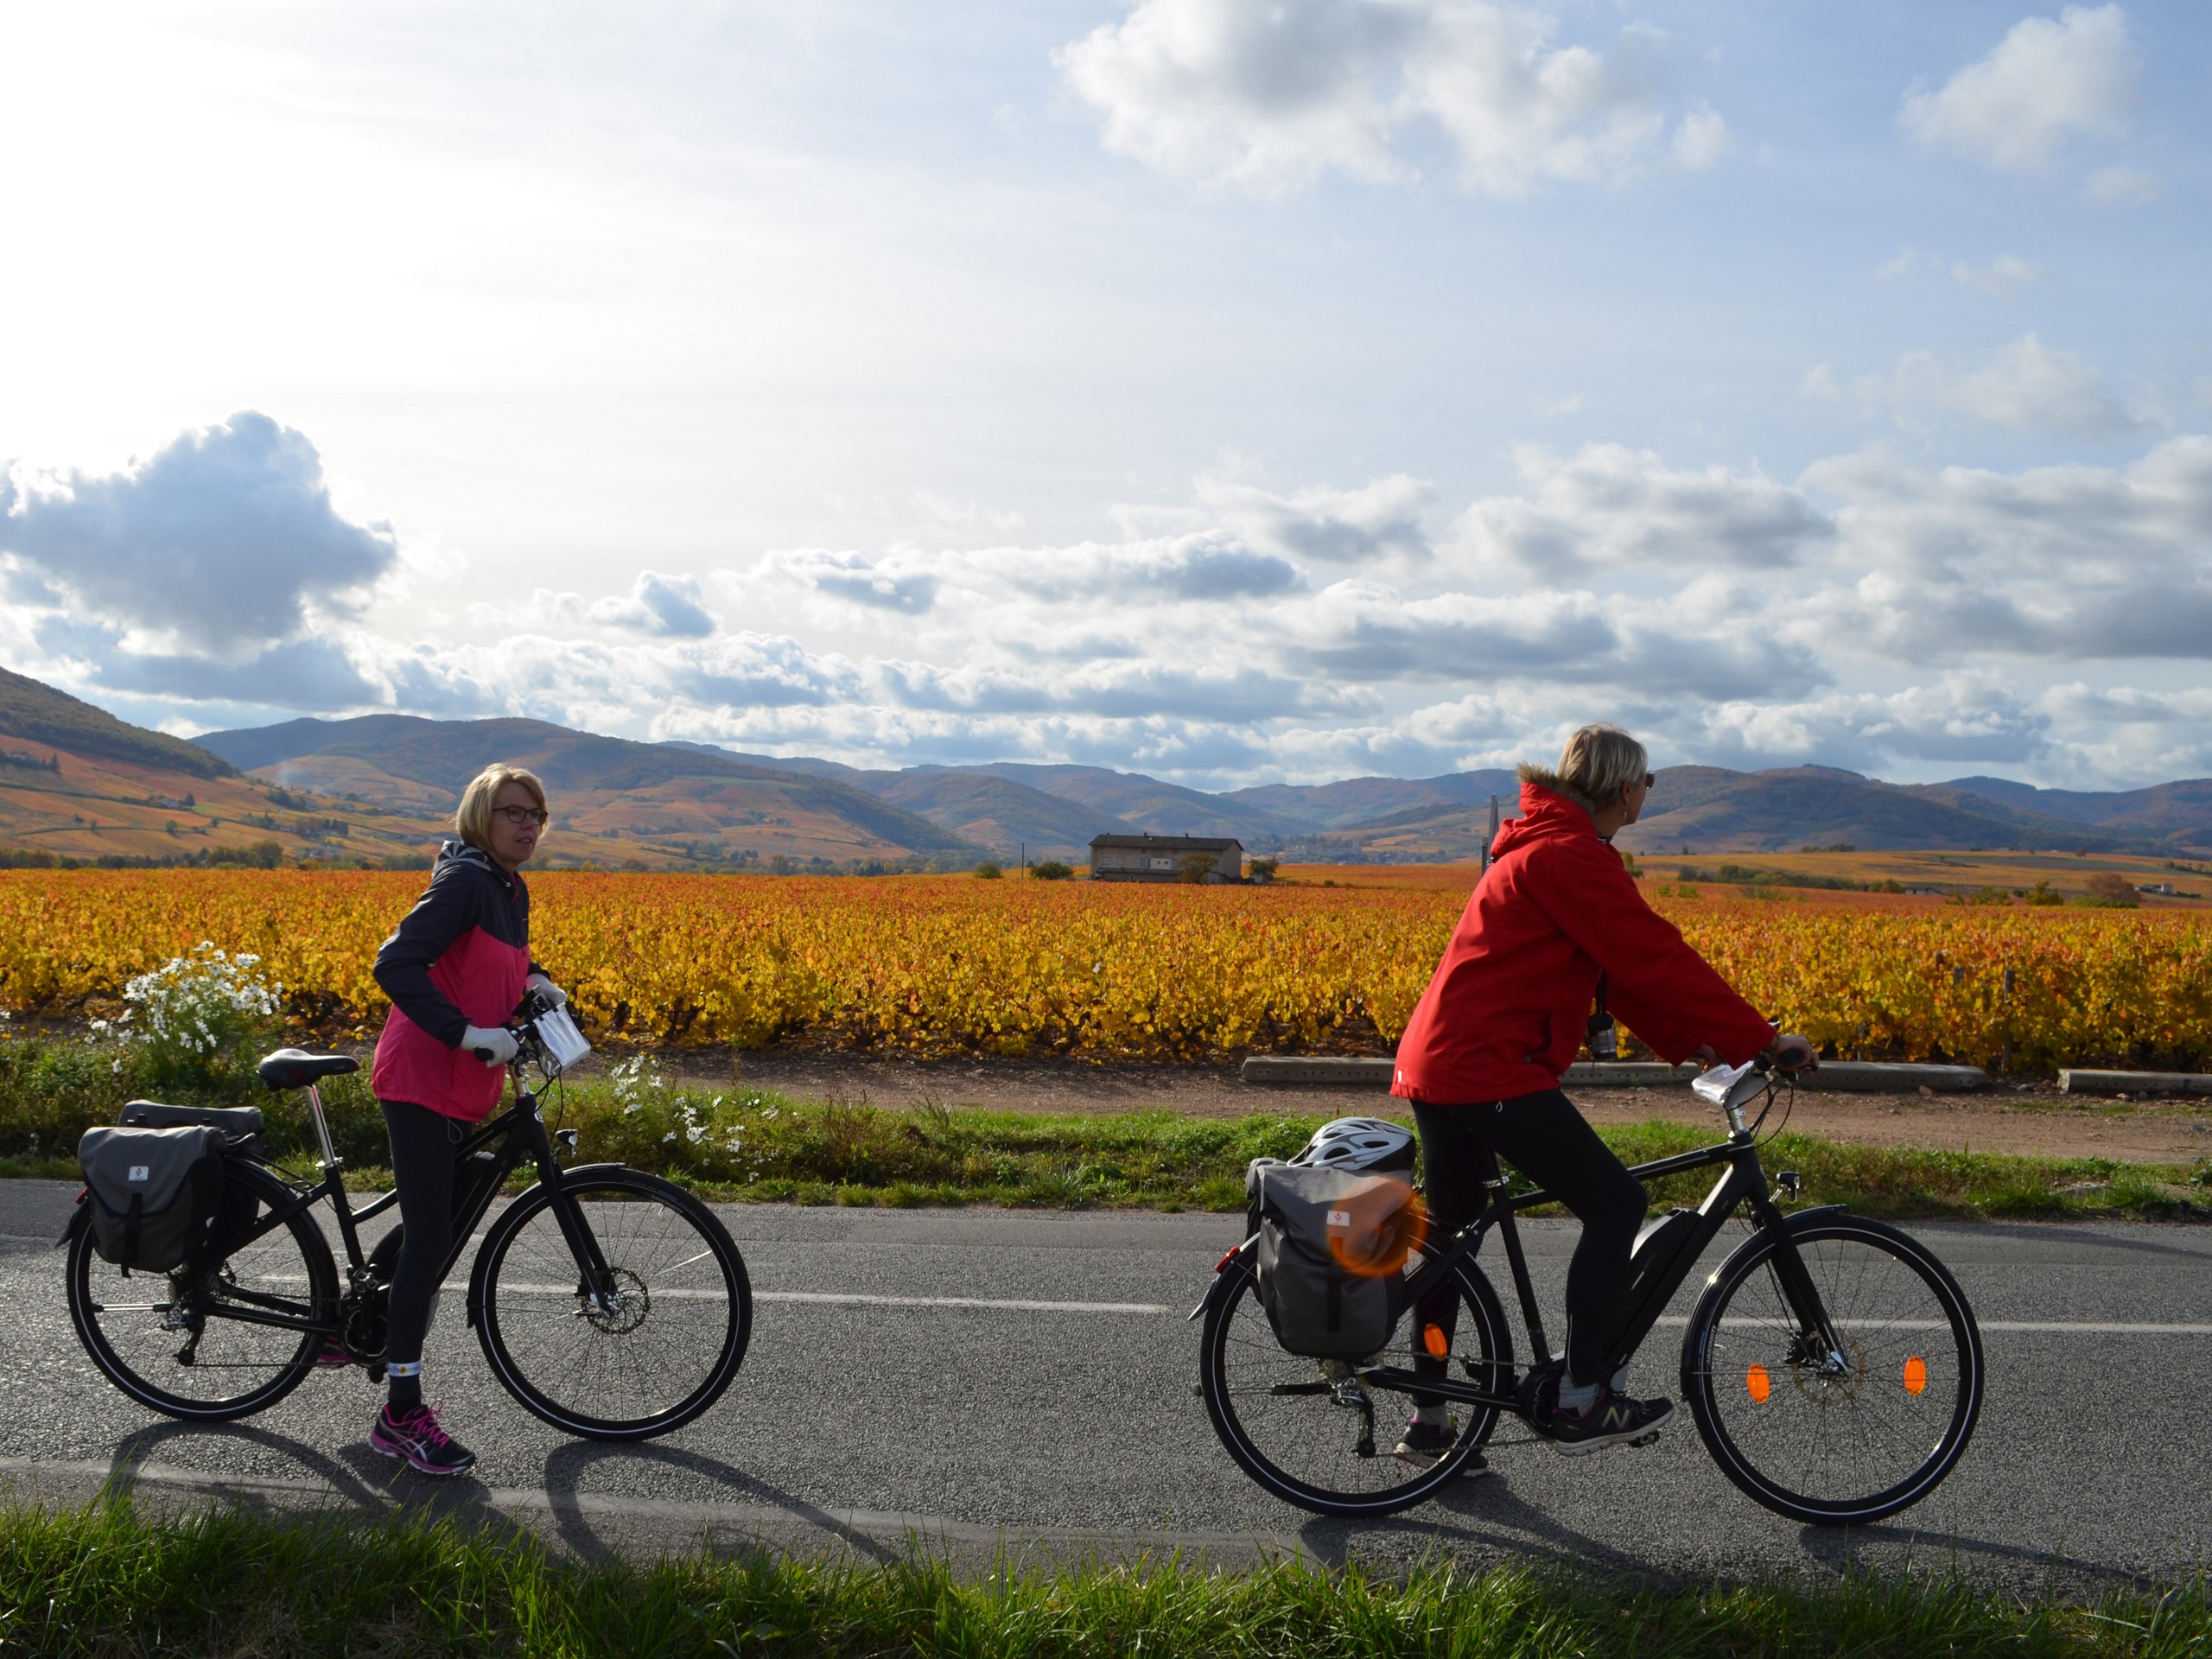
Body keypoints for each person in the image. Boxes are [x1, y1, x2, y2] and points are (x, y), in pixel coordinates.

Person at [1389, 724, 1814, 1462]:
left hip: (1442, 1066)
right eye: (1648, 783)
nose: (1647, 795)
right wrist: (1763, 1040)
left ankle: (1430, 1420)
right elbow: (1653, 955)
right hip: (1488, 1068)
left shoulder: (1538, 847)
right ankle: (1584, 1397)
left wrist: (1693, 1043)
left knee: (1451, 1244)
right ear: (1625, 789)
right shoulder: (1571, 857)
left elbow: (1613, 977)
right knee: (1616, 1203)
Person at [362, 763, 569, 1476]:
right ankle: (399, 1416)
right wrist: (461, 1032)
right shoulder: (464, 881)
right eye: (513, 812)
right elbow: (397, 964)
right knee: (429, 1239)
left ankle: (355, 1321)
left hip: (462, 1086)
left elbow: (500, 957)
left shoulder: (510, 888)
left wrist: (536, 979)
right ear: (482, 816)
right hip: (424, 1075)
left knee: (452, 1204)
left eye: (536, 814)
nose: (527, 824)